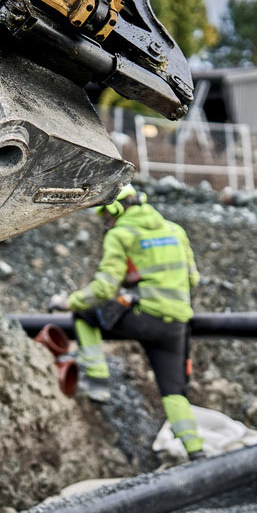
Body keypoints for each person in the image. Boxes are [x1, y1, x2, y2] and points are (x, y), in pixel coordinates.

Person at [48, 184, 205, 459]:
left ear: (116, 208)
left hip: (145, 318)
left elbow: (104, 289)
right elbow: (193, 279)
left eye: (106, 215)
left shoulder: (121, 235)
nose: (106, 221)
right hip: (176, 324)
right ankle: (197, 452)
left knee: (85, 314)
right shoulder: (175, 230)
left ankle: (96, 381)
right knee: (173, 391)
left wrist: (68, 302)